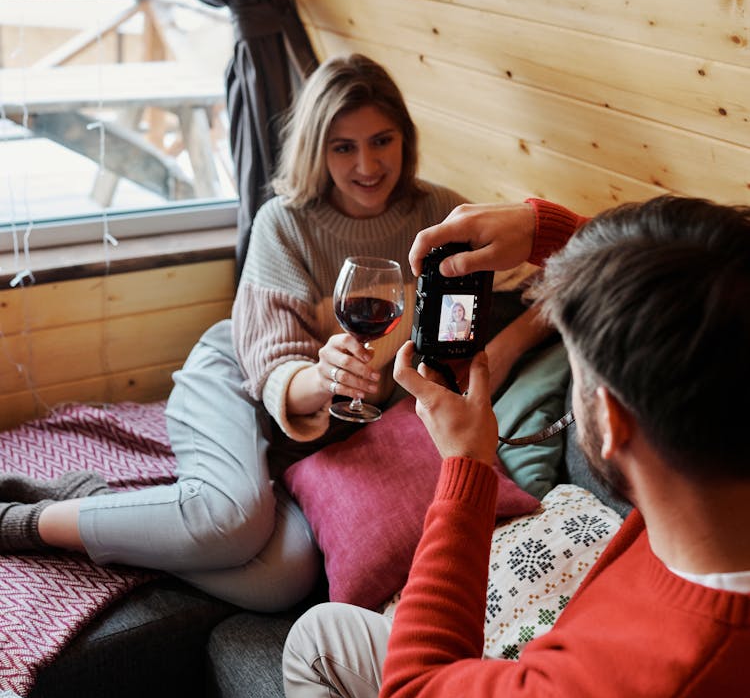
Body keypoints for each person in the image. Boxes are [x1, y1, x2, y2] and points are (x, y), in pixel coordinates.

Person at [159, 193, 750, 698]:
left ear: (612, 422)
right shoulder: (711, 480)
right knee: (319, 638)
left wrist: (466, 465)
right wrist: (545, 230)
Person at [0, 55, 545, 611]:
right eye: (343, 147)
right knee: (234, 522)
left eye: (382, 141)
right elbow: (274, 366)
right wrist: (327, 377)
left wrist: (511, 343)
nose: (368, 164)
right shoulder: (284, 222)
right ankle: (33, 521)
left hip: (312, 436)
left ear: (405, 139)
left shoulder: (442, 213)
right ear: (316, 149)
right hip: (242, 374)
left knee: (281, 581)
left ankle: (116, 514)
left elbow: (545, 281)